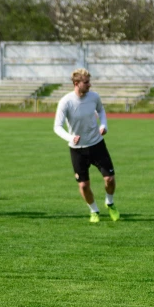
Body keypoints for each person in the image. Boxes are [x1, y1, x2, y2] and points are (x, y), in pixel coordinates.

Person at [54, 68, 120, 223]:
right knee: (83, 185)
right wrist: (70, 137)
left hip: (97, 144)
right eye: (86, 82)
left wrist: (104, 125)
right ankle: (94, 211)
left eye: (89, 81)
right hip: (77, 150)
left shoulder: (94, 97)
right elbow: (57, 126)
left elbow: (101, 111)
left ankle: (110, 203)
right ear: (76, 83)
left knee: (109, 179)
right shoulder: (66, 102)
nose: (89, 85)